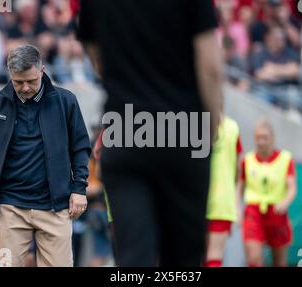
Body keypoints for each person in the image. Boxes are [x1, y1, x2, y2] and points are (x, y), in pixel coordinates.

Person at [77, 0, 222, 266]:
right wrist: (211, 126)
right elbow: (211, 67)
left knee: (133, 254)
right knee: (183, 258)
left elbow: (98, 60)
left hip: (125, 130)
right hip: (185, 132)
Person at [0, 44, 91, 267]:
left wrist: (79, 189)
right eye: (18, 82)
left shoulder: (66, 101)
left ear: (42, 70)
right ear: (10, 75)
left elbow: (80, 148)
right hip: (10, 208)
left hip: (56, 207)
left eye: (30, 81)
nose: (24, 87)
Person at [237, 119, 297, 267]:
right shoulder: (248, 160)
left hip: (277, 213)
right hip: (253, 213)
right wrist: (237, 209)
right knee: (254, 259)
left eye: (265, 137)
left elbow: (292, 187)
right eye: (258, 138)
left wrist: (284, 203)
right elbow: (240, 187)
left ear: (272, 138)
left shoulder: (285, 158)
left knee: (279, 262)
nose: (261, 142)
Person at [204, 113, 242, 267]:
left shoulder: (232, 128)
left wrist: (236, 202)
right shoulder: (232, 127)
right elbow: (239, 170)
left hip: (219, 203)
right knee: (213, 257)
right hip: (218, 203)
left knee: (211, 257)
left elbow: (240, 169)